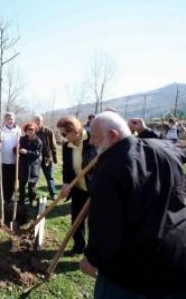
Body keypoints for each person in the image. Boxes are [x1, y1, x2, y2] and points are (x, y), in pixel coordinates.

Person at [80, 111, 186, 298]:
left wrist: (92, 258)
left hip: (133, 269)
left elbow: (105, 224)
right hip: (176, 258)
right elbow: (175, 148)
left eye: (95, 137)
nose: (91, 142)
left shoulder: (110, 168)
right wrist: (145, 131)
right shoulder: (163, 149)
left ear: (113, 135)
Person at [57, 116, 97, 255]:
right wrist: (66, 184)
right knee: (77, 220)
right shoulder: (66, 146)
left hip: (95, 189)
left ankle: (95, 252)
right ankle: (79, 246)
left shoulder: (93, 140)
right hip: (78, 188)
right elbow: (67, 168)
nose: (63, 137)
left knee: (96, 222)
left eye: (64, 133)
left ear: (73, 129)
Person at [18, 122, 42, 207]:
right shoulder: (22, 139)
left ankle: (32, 199)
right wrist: (16, 149)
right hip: (23, 165)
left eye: (32, 129)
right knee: (22, 184)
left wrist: (27, 152)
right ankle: (21, 200)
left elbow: (37, 153)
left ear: (35, 130)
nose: (30, 131)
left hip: (33, 165)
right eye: (28, 129)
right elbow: (18, 148)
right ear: (26, 130)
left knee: (32, 185)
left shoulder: (38, 141)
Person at [33, 114, 57, 198]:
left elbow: (53, 146)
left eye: (38, 119)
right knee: (35, 177)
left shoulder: (48, 132)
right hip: (35, 158)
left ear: (42, 121)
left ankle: (53, 193)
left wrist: (54, 158)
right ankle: (32, 194)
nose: (37, 121)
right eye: (36, 119)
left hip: (46, 158)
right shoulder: (33, 131)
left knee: (49, 177)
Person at [0, 112, 21, 203]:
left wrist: (18, 147)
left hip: (14, 159)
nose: (10, 121)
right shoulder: (2, 129)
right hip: (4, 159)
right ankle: (4, 196)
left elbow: (20, 141)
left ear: (14, 120)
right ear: (5, 120)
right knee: (5, 179)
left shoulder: (18, 129)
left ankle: (10, 196)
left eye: (11, 119)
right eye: (8, 119)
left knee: (13, 179)